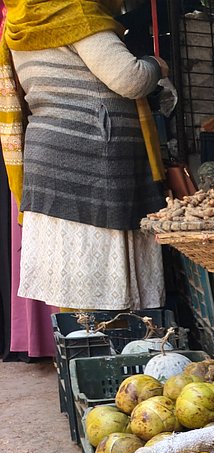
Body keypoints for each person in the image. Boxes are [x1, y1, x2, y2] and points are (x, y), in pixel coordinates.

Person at [1, 0, 168, 312]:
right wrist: (156, 64)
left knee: (73, 278)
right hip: (91, 153)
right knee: (100, 277)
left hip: (49, 151)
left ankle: (81, 349)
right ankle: (109, 348)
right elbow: (129, 79)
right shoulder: (74, 14)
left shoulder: (20, 20)